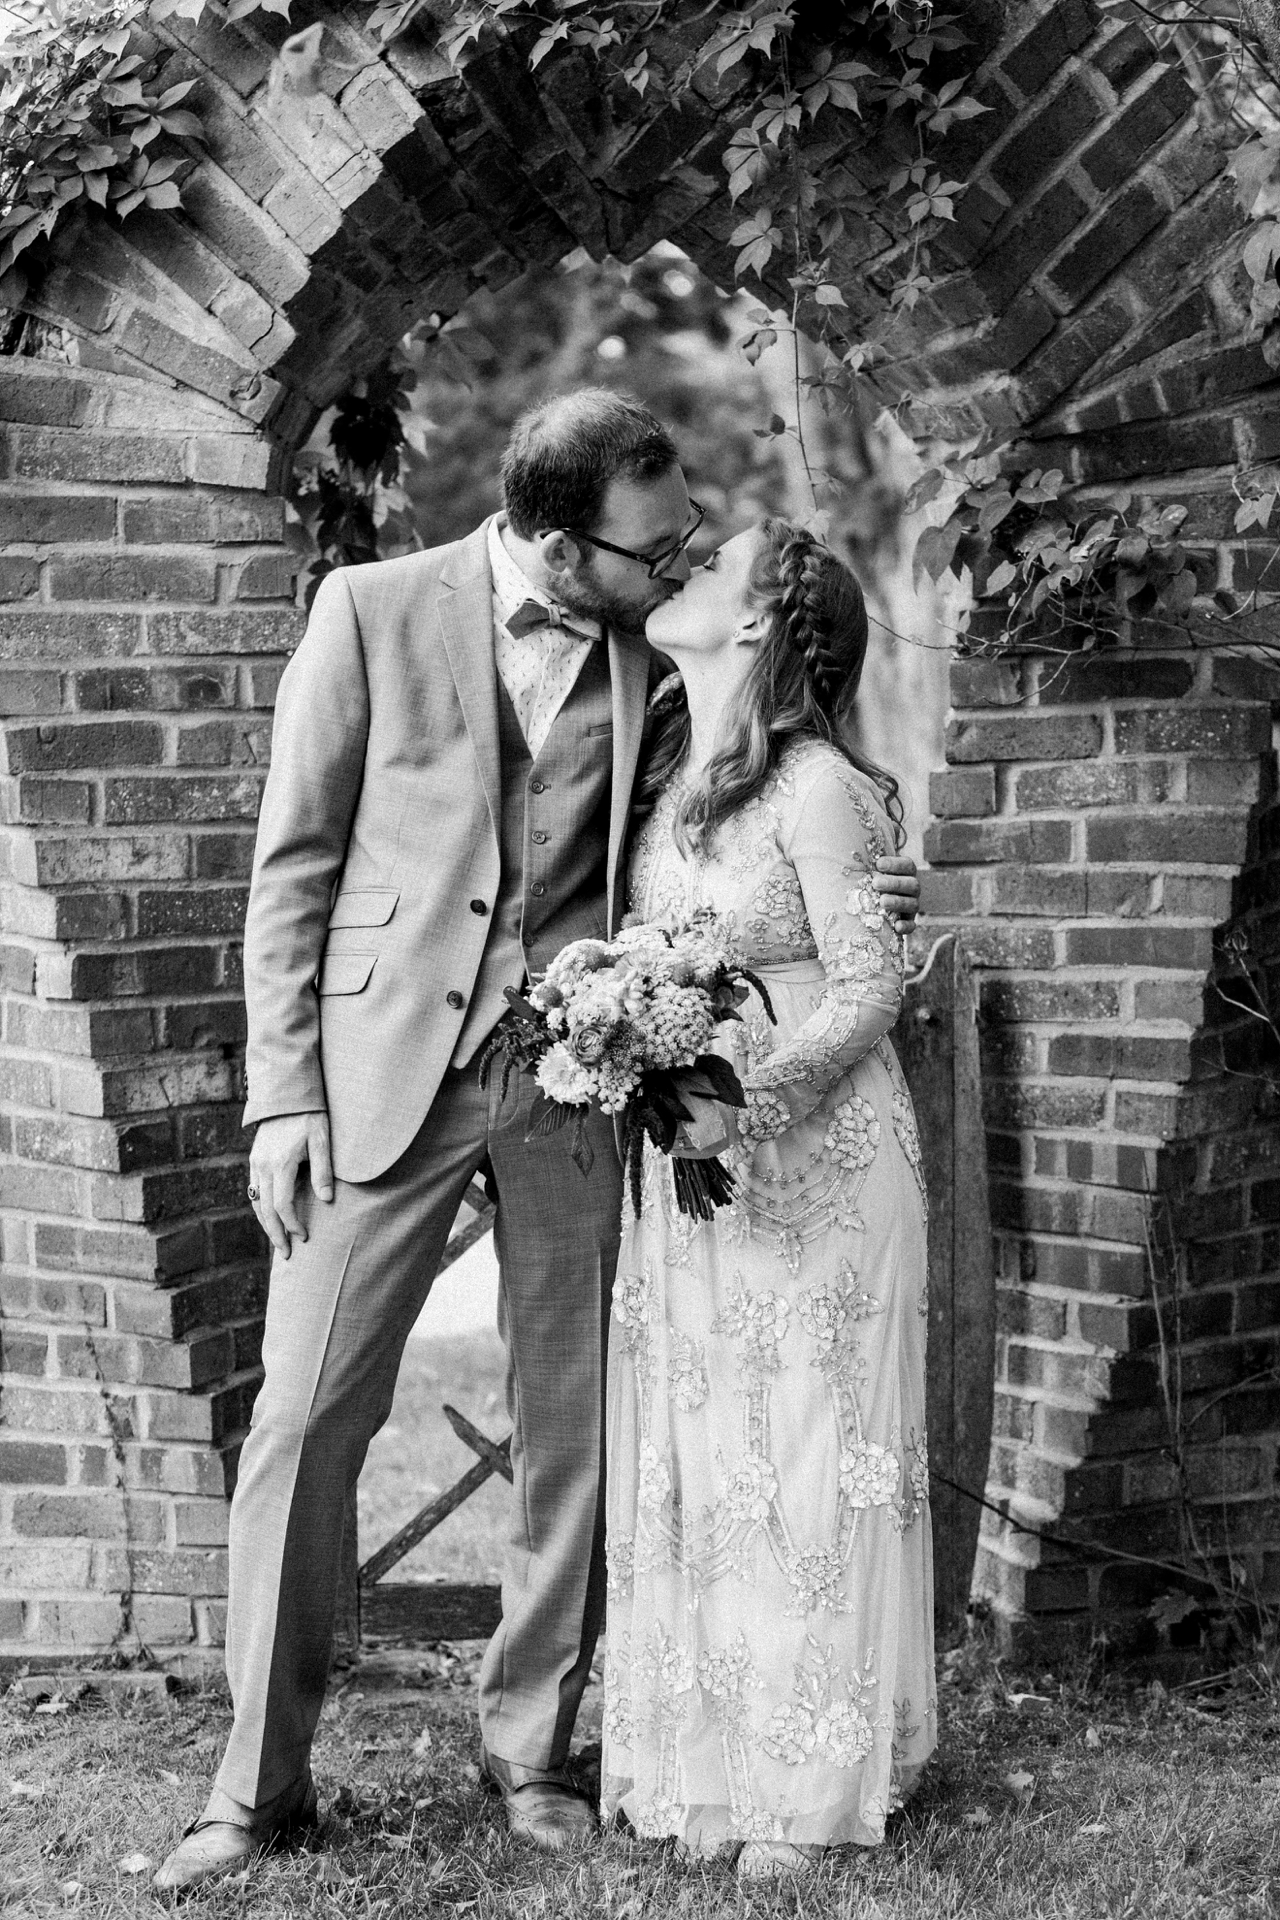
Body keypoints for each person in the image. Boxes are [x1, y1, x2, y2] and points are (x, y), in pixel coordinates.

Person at [153, 391, 922, 1890]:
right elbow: (291, 869)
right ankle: (254, 1787)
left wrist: (889, 886)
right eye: (652, 543)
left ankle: (531, 1749)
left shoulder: (667, 665)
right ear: (565, 548)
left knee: (574, 1425)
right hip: (380, 1078)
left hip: (579, 1086)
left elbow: (776, 790)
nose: (679, 559)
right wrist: (283, 1094)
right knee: (305, 1422)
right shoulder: (368, 613)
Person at [601, 518, 936, 1878]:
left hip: (820, 1160)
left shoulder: (822, 791)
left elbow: (867, 986)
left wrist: (757, 1094)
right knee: (711, 1458)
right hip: (694, 1163)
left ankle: (807, 1778)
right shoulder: (678, 775)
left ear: (757, 623)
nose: (681, 569)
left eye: (712, 563)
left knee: (808, 1461)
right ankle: (712, 1762)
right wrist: (616, 1026)